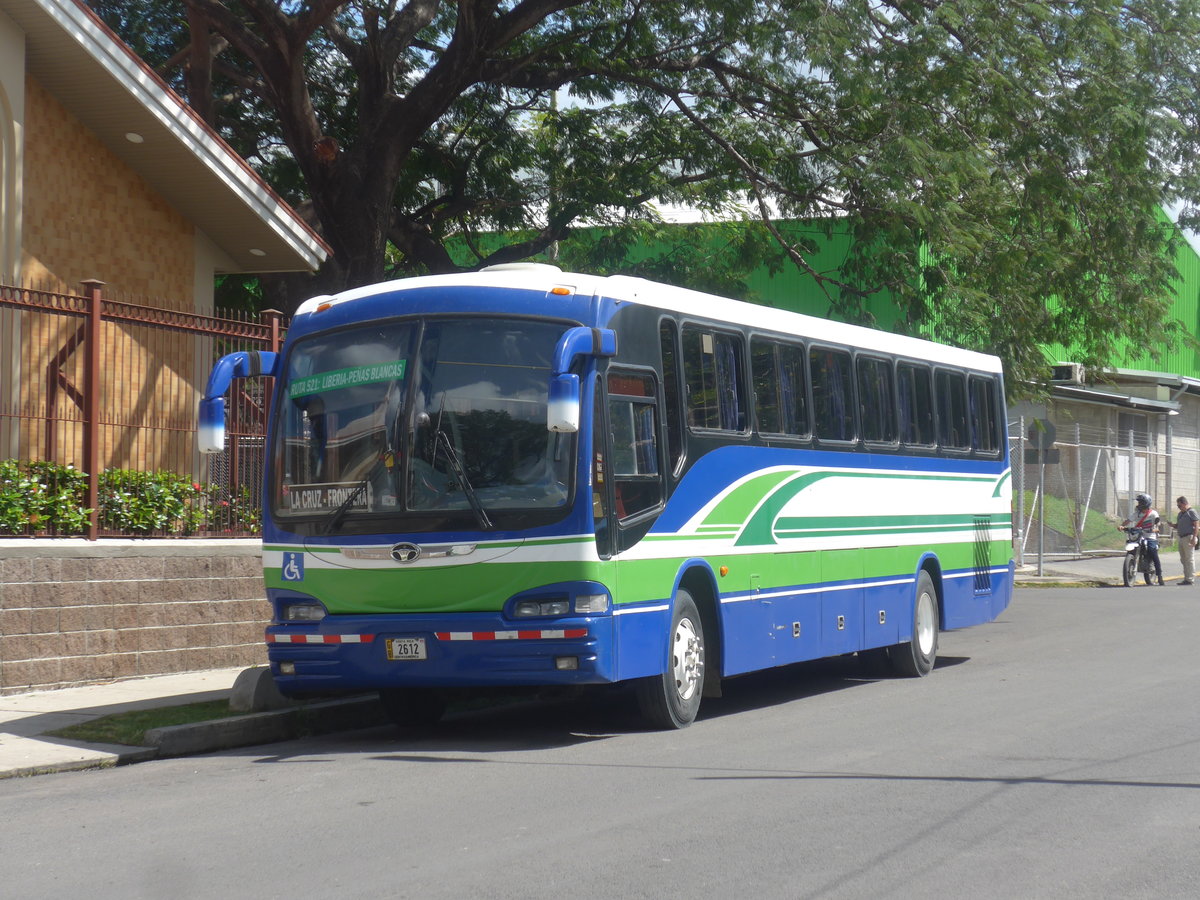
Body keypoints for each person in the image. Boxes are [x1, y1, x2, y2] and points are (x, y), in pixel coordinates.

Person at [1122, 493, 1164, 585]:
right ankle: (1131, 562)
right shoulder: (1137, 513)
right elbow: (1128, 520)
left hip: (1150, 536)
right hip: (1138, 535)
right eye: (1139, 502)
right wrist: (1122, 526)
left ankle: (1159, 575)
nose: (1139, 504)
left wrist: (1154, 529)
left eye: (1141, 502)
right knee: (1130, 544)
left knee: (1152, 551)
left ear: (1146, 503)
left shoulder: (1153, 513)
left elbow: (1158, 525)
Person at [1171, 496, 1198, 585]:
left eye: (1179, 505)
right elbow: (1178, 525)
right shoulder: (1180, 514)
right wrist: (1172, 525)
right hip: (1181, 537)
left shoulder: (1191, 512)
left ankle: (1190, 579)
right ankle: (1186, 577)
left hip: (1189, 537)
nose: (1179, 507)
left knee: (1189, 559)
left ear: (1184, 504)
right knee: (1183, 559)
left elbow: (1196, 525)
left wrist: (1194, 538)